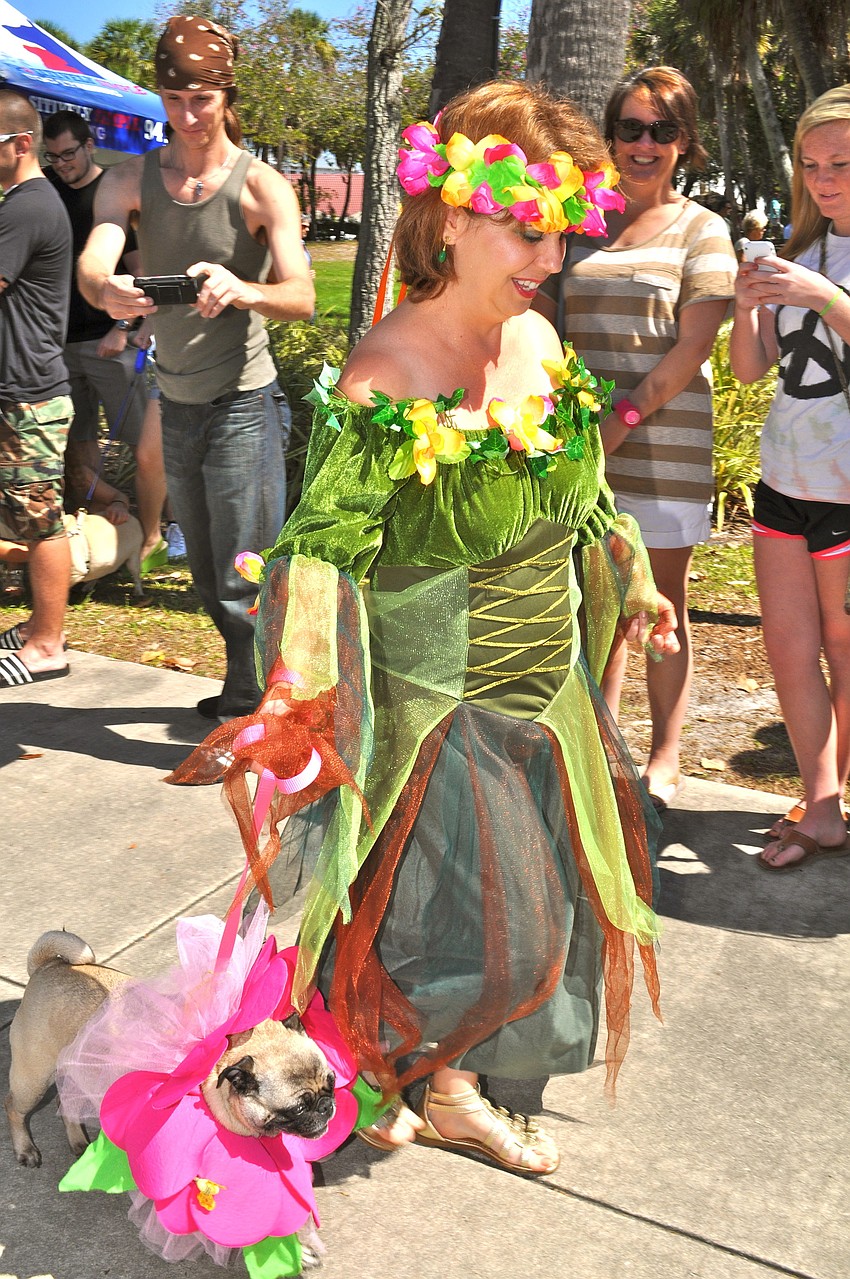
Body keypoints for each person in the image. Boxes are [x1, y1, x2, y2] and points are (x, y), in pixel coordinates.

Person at [170, 81, 678, 1175]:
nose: (547, 256)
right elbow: (319, 551)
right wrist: (297, 695)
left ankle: (437, 1086)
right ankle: (388, 1066)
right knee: (501, 934)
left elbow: (581, 494)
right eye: (524, 229)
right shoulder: (388, 372)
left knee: (490, 916)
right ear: (452, 218)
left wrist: (630, 576)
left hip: (548, 695)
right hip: (443, 704)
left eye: (560, 231)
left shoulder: (538, 336)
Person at [77, 14, 315, 722]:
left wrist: (246, 289)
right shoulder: (129, 179)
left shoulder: (261, 186)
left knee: (248, 576)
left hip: (245, 404)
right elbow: (93, 262)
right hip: (175, 399)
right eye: (174, 100)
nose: (187, 116)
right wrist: (106, 290)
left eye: (202, 100)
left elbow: (302, 295)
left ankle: (269, 716)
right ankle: (246, 692)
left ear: (226, 96)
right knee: (210, 577)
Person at [537, 66, 737, 811]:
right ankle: (597, 747)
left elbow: (693, 349)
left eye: (662, 130)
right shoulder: (579, 222)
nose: (644, 144)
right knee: (595, 604)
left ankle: (664, 758)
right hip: (580, 445)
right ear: (611, 135)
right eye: (630, 128)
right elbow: (542, 320)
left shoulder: (703, 230)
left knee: (660, 607)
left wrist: (618, 422)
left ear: (685, 141)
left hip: (663, 449)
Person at [730, 85, 850, 871]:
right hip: (784, 478)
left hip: (846, 491)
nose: (823, 179)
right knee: (788, 646)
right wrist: (747, 304)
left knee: (845, 648)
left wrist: (824, 297)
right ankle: (823, 805)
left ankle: (828, 799)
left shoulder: (817, 273)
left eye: (840, 162)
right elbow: (751, 369)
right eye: (810, 165)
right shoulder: (800, 251)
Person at [42, 110, 168, 572]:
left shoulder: (112, 193)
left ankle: (161, 529)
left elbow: (139, 270)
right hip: (60, 343)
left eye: (69, 154)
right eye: (53, 157)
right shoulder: (46, 191)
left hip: (109, 341)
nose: (62, 164)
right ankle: (98, 520)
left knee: (142, 444)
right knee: (78, 441)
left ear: (89, 145)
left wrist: (124, 328)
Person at [0, 91, 74, 684]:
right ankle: (37, 629)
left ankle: (48, 644)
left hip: (30, 396)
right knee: (28, 516)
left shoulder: (28, 206)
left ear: (21, 144)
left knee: (41, 519)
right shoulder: (22, 203)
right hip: (19, 390)